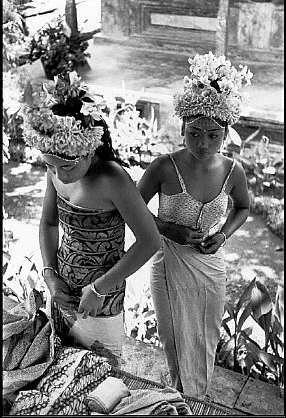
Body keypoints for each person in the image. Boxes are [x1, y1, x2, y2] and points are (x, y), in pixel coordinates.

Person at [21, 71, 161, 367]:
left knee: (103, 377)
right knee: (59, 369)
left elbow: (150, 241)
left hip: (101, 303)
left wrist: (100, 288)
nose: (59, 174)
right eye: (50, 165)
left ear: (88, 150)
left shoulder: (113, 178)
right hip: (62, 294)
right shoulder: (57, 166)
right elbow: (48, 224)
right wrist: (51, 278)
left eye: (67, 166)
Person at [138, 52, 253, 398]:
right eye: (194, 133)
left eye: (213, 135)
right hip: (168, 262)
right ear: (182, 128)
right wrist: (165, 228)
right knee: (172, 337)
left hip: (209, 268)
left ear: (226, 134)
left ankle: (195, 400)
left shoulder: (233, 171)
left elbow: (244, 207)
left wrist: (222, 235)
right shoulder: (162, 167)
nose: (203, 144)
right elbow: (130, 210)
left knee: (206, 338)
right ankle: (180, 399)